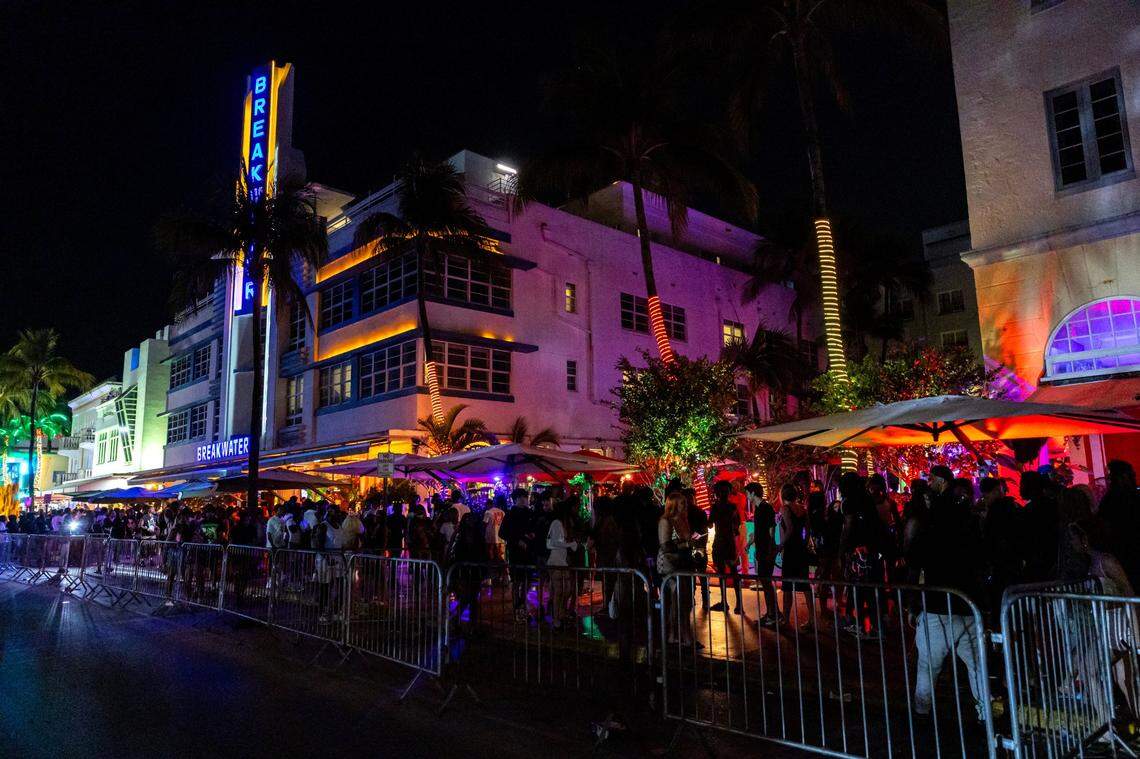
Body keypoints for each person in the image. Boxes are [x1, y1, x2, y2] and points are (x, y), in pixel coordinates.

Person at [910, 464, 987, 721]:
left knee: (928, 667)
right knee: (977, 667)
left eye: (931, 480)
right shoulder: (969, 520)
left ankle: (922, 712)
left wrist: (914, 601)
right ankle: (984, 714)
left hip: (937, 603)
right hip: (966, 603)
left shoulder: (931, 523)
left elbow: (916, 557)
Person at [658, 492, 698, 646]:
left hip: (683, 562)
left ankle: (676, 634)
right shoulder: (666, 521)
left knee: (684, 600)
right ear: (673, 504)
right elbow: (665, 545)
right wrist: (685, 544)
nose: (685, 506)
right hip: (670, 564)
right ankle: (682, 635)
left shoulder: (682, 520)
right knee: (678, 599)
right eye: (682, 503)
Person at [1099, 460, 1140, 590]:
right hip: (1126, 551)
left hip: (1122, 552)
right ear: (1123, 477)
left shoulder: (1108, 501)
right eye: (1131, 475)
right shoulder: (1131, 496)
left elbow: (1104, 528)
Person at [778, 483, 814, 628]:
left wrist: (780, 545)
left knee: (787, 586)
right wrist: (804, 544)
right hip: (801, 548)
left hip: (791, 549)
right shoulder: (802, 509)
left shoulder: (785, 509)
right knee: (805, 584)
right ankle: (811, 619)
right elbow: (808, 529)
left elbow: (790, 529)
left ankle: (786, 619)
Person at [745, 483, 780, 625]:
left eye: (748, 493)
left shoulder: (765, 508)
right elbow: (759, 531)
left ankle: (773, 614)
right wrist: (750, 543)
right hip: (762, 549)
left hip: (766, 551)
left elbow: (771, 530)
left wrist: (771, 549)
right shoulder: (759, 509)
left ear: (753, 493)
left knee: (766, 582)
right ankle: (773, 613)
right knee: (765, 582)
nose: (747, 496)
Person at [500, 490, 536, 622]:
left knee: (528, 580)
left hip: (529, 552)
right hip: (515, 552)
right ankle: (517, 607)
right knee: (516, 581)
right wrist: (517, 540)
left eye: (524, 497)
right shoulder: (510, 514)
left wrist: (532, 535)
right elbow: (502, 533)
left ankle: (522, 604)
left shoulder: (529, 513)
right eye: (520, 498)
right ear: (515, 499)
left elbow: (534, 528)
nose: (523, 500)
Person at [708, 480, 744, 615]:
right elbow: (737, 527)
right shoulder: (733, 507)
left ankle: (724, 602)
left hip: (719, 542)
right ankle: (739, 604)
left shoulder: (715, 507)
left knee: (722, 573)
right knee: (734, 573)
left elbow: (710, 524)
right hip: (730, 543)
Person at [546, 499, 579, 630]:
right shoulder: (556, 523)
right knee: (559, 590)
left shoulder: (563, 524)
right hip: (556, 560)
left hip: (562, 560)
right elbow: (552, 543)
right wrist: (570, 544)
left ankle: (559, 614)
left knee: (566, 589)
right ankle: (556, 618)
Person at [484, 495, 507, 563]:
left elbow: (484, 524)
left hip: (490, 539)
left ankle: (492, 573)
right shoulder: (503, 512)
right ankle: (502, 573)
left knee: (491, 559)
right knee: (501, 559)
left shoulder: (488, 512)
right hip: (501, 539)